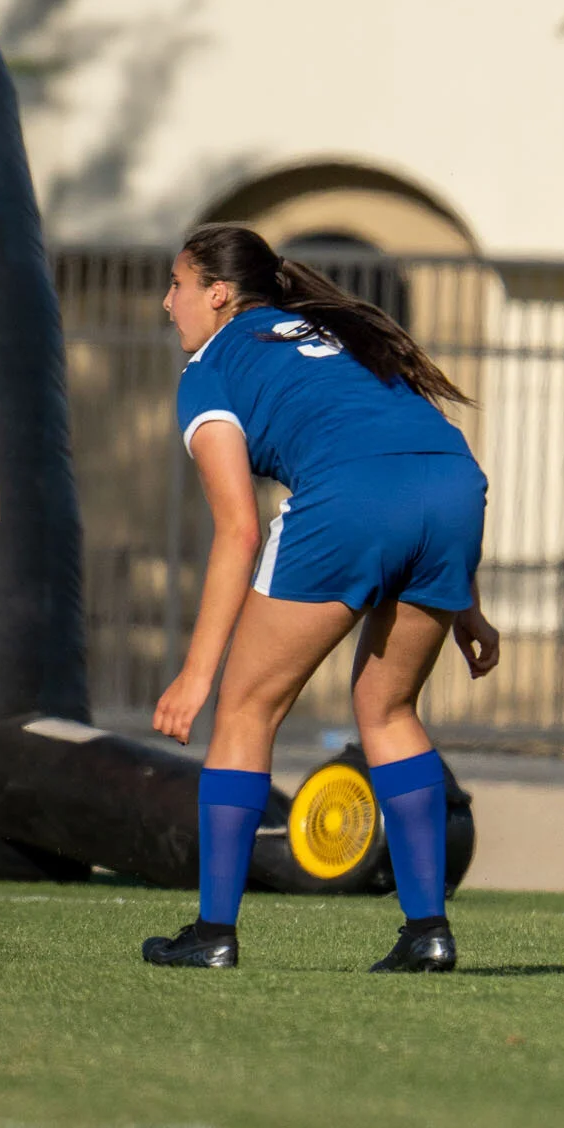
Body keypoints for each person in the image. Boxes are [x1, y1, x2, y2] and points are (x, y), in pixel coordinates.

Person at [141, 223, 499, 972]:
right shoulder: (335, 335)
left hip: (354, 499)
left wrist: (197, 674)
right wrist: (464, 601)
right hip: (455, 488)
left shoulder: (210, 367)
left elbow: (238, 529)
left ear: (219, 294)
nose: (168, 302)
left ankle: (213, 933)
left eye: (177, 284)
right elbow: (410, 448)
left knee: (246, 709)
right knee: (389, 711)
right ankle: (428, 931)